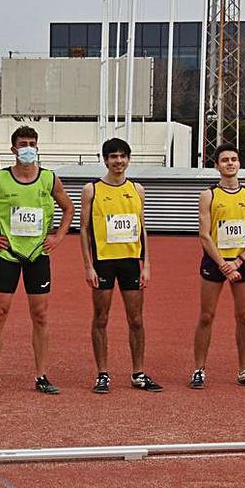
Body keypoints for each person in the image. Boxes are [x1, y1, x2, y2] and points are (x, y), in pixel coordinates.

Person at [0, 126, 74, 396]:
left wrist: (59, 237)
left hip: (38, 255)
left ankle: (41, 375)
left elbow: (69, 207)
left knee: (40, 316)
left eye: (33, 143)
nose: (28, 148)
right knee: (0, 313)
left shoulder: (49, 179)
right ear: (13, 149)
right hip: (8, 255)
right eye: (23, 143)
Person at [79, 138, 162, 394]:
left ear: (128, 159)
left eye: (123, 156)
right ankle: (102, 373)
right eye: (113, 156)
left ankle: (138, 373)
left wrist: (145, 264)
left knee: (136, 319)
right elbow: (83, 230)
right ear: (105, 159)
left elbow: (142, 227)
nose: (118, 161)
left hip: (130, 262)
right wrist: (88, 266)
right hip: (103, 262)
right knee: (101, 318)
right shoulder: (92, 190)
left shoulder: (137, 189)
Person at [189, 143, 245, 390]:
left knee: (244, 317)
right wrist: (223, 264)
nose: (230, 163)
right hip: (215, 262)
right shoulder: (208, 196)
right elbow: (204, 234)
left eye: (234, 159)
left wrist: (239, 261)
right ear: (217, 166)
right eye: (225, 160)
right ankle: (199, 369)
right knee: (206, 316)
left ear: (239, 164)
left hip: (242, 261)